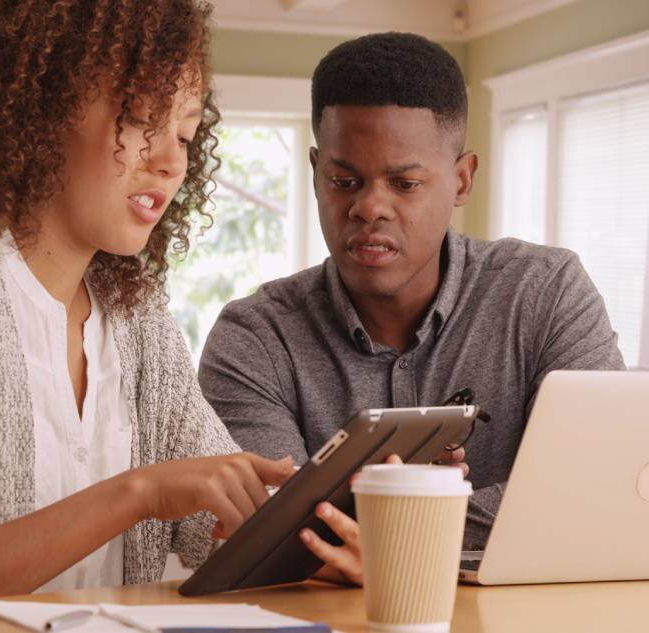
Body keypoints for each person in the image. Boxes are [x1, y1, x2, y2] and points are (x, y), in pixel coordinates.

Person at [0, 0, 366, 616]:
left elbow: (211, 521)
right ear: (40, 107)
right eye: (140, 118)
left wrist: (338, 529)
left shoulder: (137, 318)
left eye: (185, 133)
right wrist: (136, 493)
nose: (170, 161)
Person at [199, 32, 625, 550]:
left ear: (462, 180)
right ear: (315, 174)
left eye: (403, 184)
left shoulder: (546, 293)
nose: (369, 208)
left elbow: (594, 490)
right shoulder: (255, 337)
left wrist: (389, 520)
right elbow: (274, 536)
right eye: (344, 181)